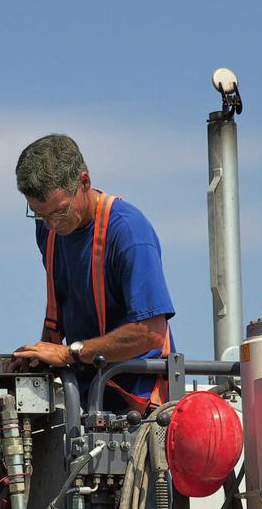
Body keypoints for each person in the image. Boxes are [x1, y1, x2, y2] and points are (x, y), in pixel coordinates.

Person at [11, 134, 176, 413]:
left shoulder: (128, 232)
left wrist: (68, 353)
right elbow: (62, 312)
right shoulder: (50, 232)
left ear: (84, 182)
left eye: (60, 211)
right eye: (40, 214)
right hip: (89, 397)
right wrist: (37, 359)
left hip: (140, 404)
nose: (51, 224)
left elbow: (150, 334)